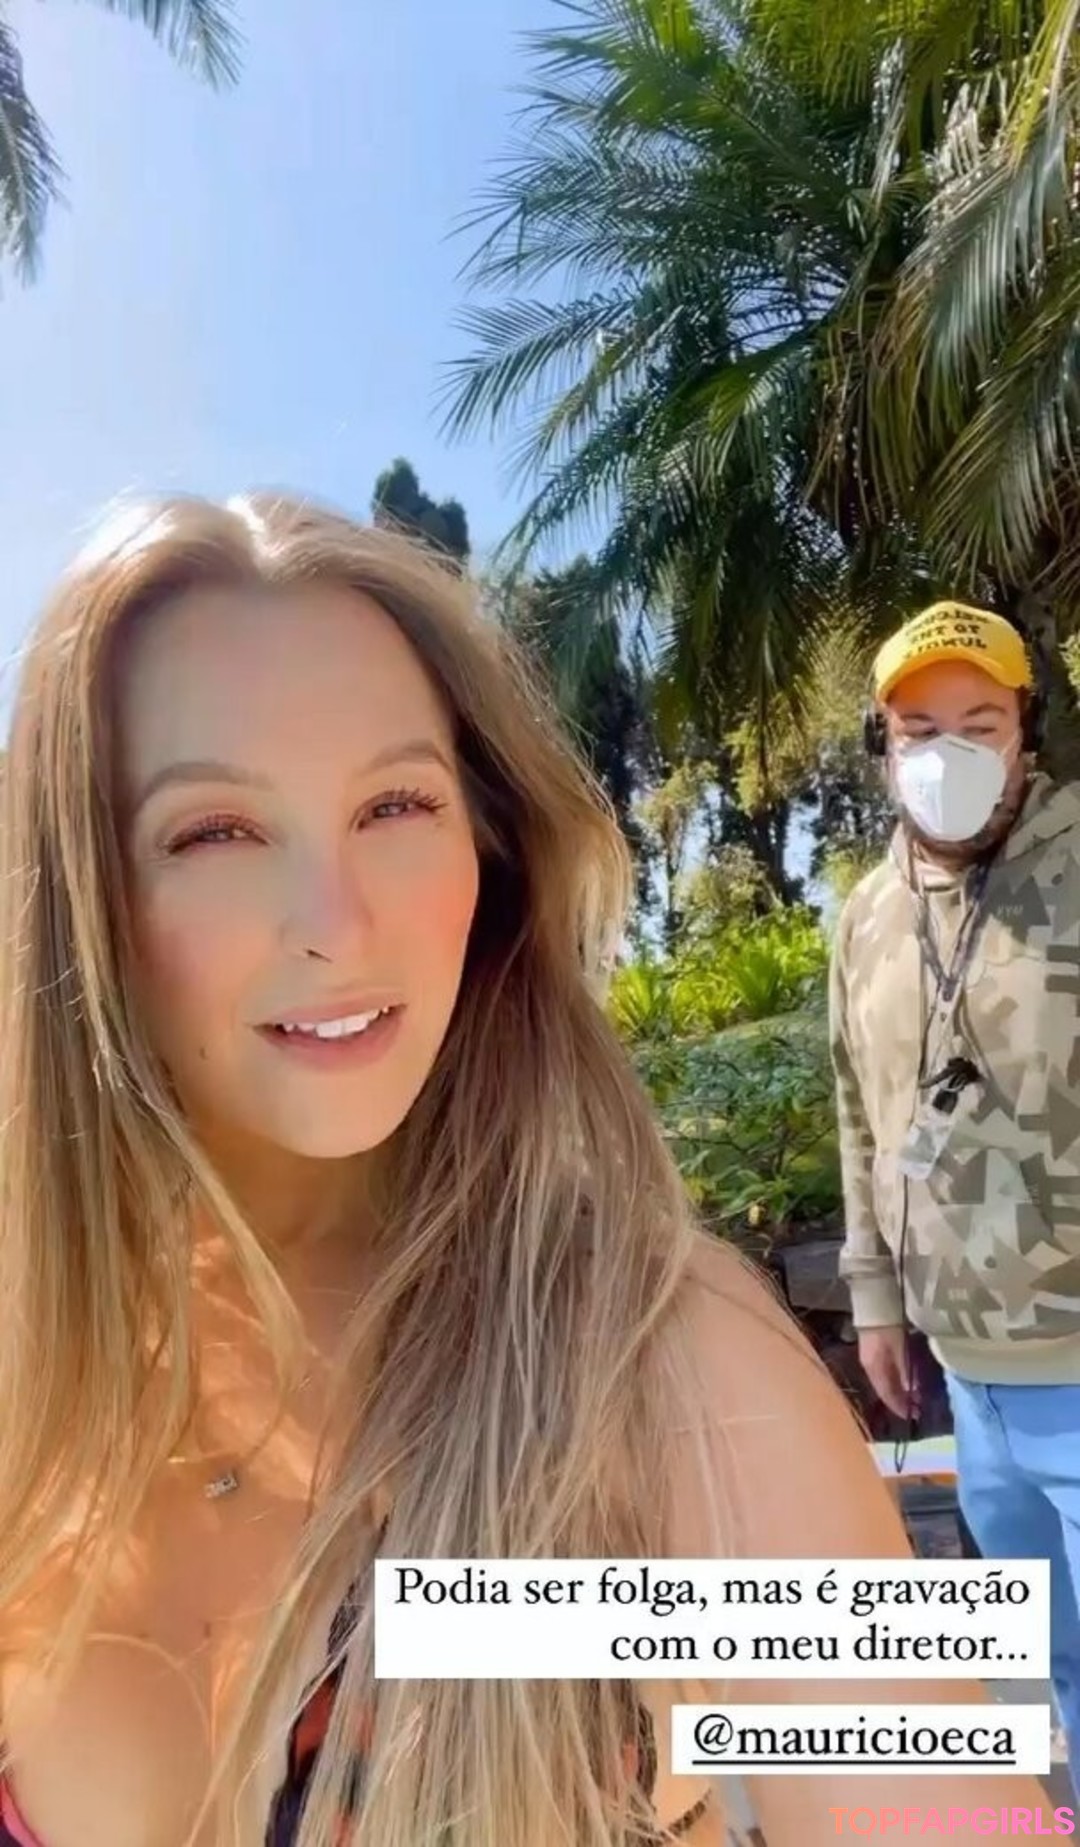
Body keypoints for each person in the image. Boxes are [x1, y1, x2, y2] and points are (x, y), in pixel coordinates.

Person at [0, 505, 1049, 1847]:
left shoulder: (654, 1358)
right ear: (83, 897)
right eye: (213, 830)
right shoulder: (37, 1368)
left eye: (395, 804)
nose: (336, 923)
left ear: (488, 857)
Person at [831, 597, 1080, 1794]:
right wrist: (876, 1298)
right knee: (1052, 1660)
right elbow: (856, 1107)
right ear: (882, 746)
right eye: (919, 730)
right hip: (968, 1374)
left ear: (1026, 729)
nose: (950, 754)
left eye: (979, 723)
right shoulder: (867, 916)